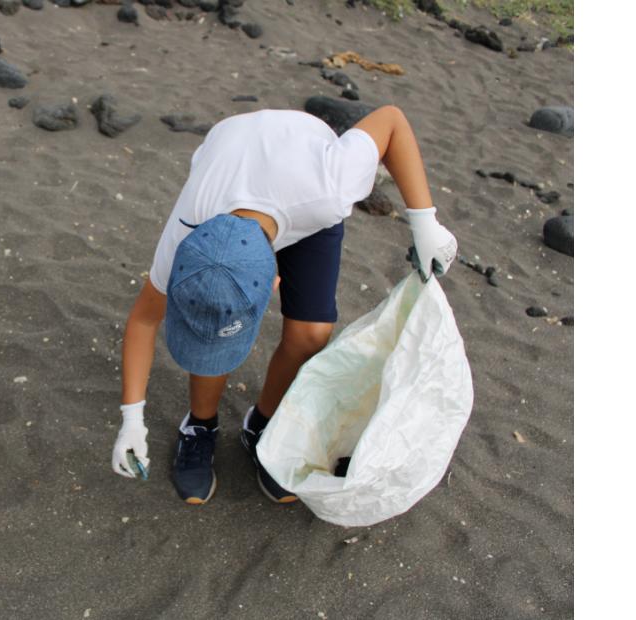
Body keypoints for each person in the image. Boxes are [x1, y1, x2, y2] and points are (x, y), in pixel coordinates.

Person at [111, 107, 457, 504]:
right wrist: (131, 420)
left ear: (276, 282)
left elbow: (392, 120)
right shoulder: (186, 238)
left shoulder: (331, 186)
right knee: (212, 322)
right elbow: (143, 319)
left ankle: (263, 425)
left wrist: (424, 222)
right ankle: (200, 426)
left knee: (311, 333)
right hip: (232, 150)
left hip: (303, 178)